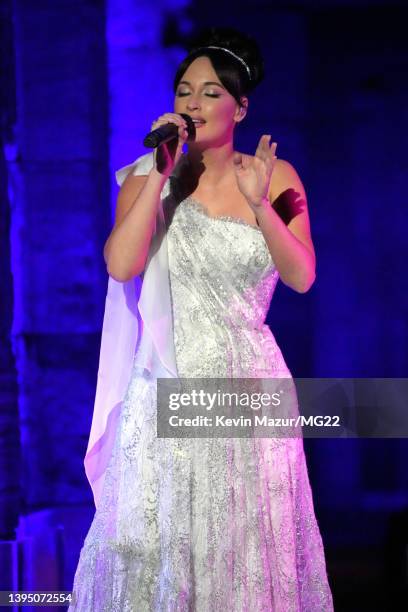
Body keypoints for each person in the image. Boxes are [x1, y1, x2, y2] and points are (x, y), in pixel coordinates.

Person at [69, 26, 334, 611]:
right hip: (165, 384)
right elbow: (120, 264)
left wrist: (261, 203)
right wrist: (160, 175)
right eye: (185, 90)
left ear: (240, 107)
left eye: (211, 92)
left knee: (245, 545)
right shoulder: (145, 177)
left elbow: (302, 275)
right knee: (157, 546)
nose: (193, 102)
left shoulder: (279, 177)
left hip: (247, 384)